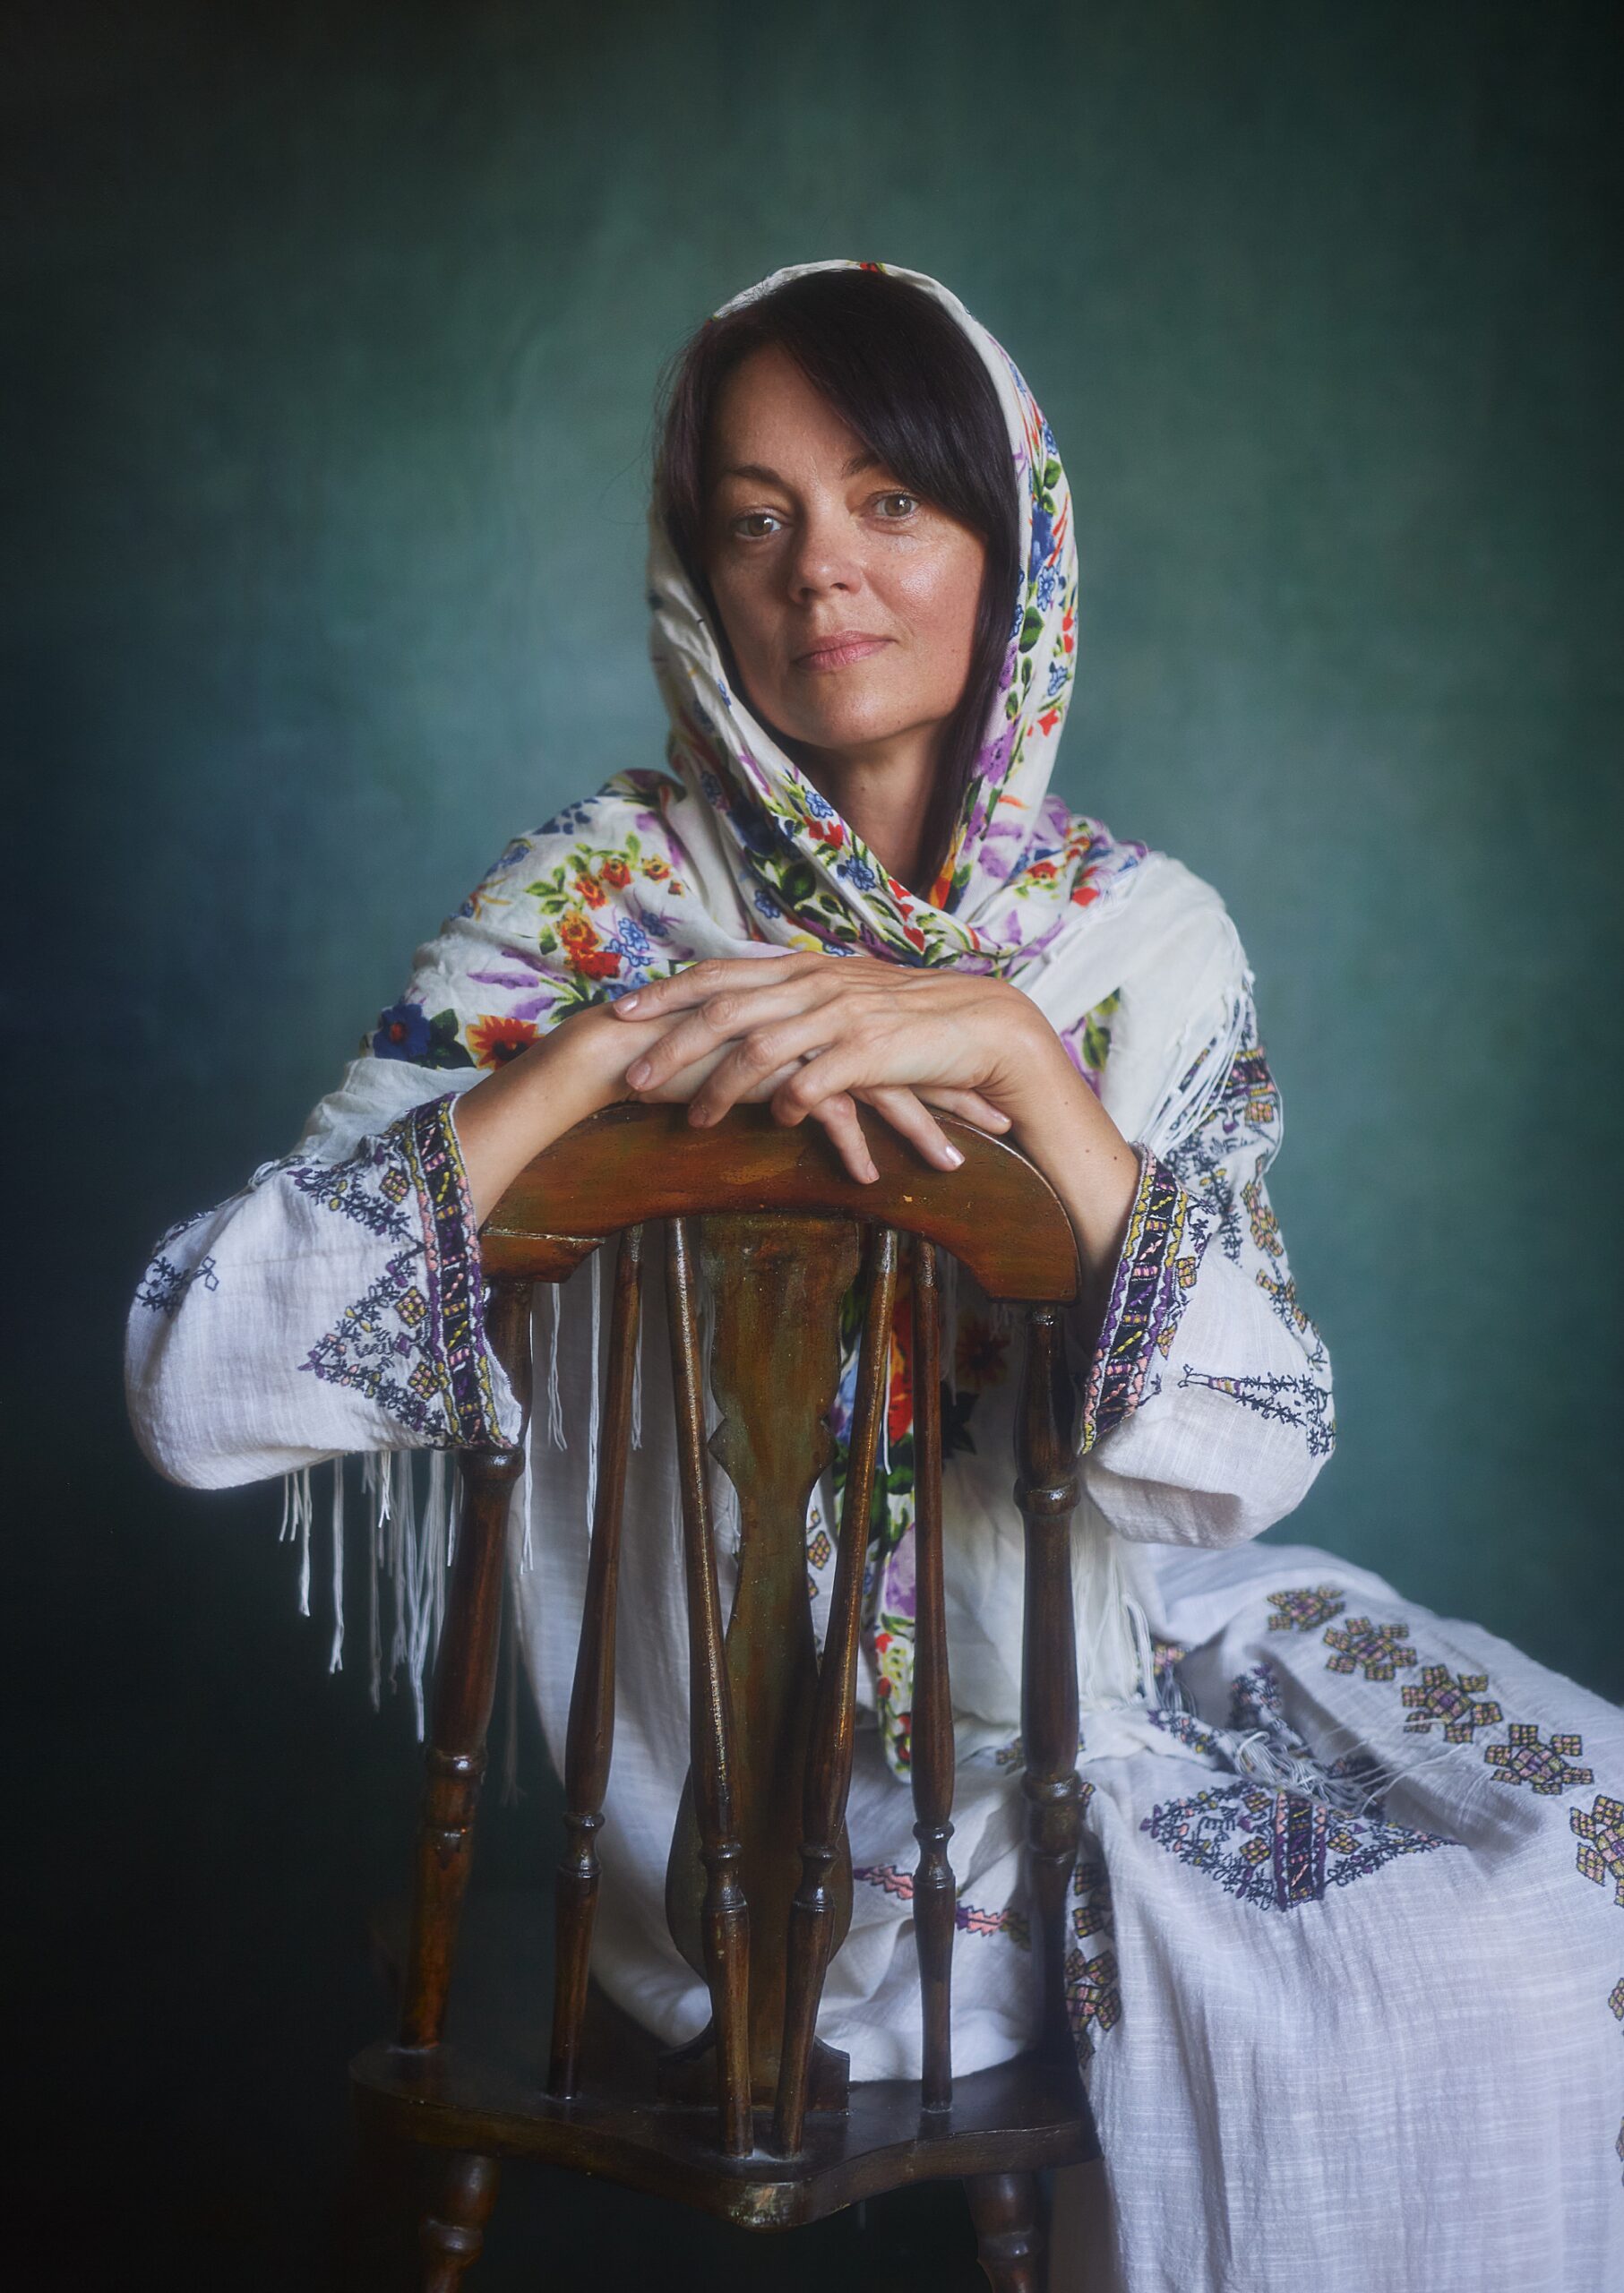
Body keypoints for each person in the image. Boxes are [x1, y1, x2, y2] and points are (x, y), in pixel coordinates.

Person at [125, 259, 1621, 2291]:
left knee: (1560, 1891)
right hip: (736, 1863)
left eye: (890, 501)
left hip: (1076, 1722)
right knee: (1420, 1958)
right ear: (696, 577)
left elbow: (1246, 1444)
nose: (821, 566)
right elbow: (203, 1366)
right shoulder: (591, 901)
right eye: (755, 517)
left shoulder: (1139, 937)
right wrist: (584, 1063)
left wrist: (1013, 1050)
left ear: (1012, 541)